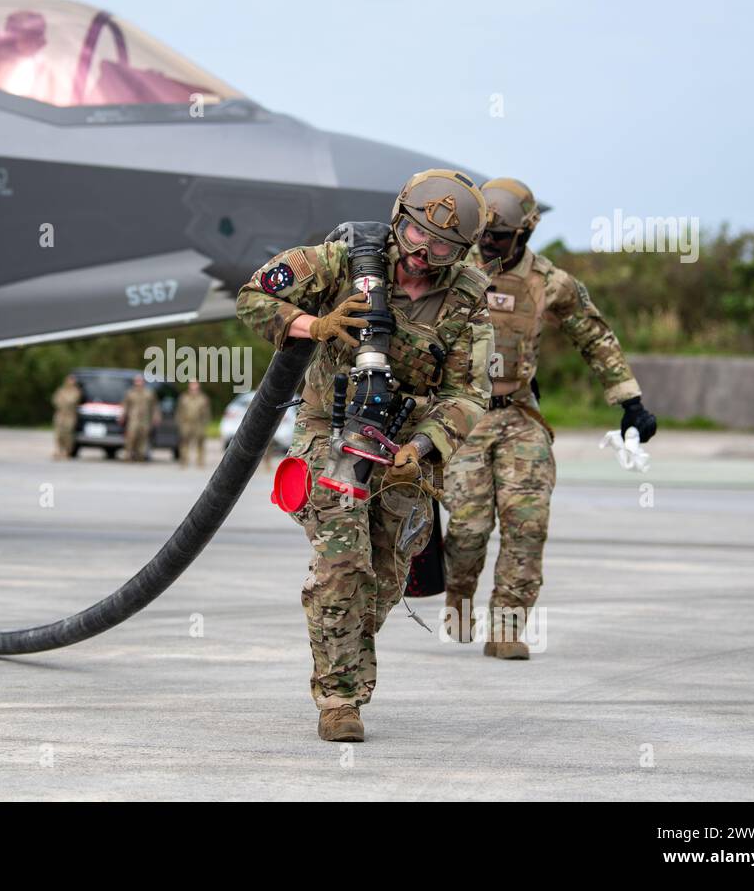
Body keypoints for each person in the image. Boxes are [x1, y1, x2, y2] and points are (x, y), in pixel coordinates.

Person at [236, 169, 494, 742]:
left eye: (443, 245)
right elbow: (253, 296)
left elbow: (468, 392)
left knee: (382, 580)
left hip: (403, 445)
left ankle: (343, 657)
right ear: (399, 217)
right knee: (343, 562)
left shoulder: (469, 298)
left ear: (462, 252)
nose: (423, 252)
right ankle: (339, 701)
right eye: (417, 233)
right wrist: (314, 324)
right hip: (330, 433)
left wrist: (422, 446)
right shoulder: (345, 260)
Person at [442, 177, 658, 659]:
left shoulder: (549, 283)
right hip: (461, 418)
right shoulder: (452, 271)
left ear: (525, 233)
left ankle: (507, 628)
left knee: (527, 523)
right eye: (482, 233)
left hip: (519, 415)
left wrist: (630, 402)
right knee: (467, 529)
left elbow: (594, 335)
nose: (488, 243)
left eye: (499, 237)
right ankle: (458, 597)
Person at [120, 375, 157, 462]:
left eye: (140, 381)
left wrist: (155, 416)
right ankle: (128, 455)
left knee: (143, 437)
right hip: (133, 419)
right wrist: (122, 416)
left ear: (143, 382)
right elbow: (125, 406)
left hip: (145, 419)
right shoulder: (130, 393)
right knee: (131, 437)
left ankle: (140, 455)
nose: (138, 383)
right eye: (137, 381)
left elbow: (154, 406)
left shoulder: (149, 393)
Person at [175, 381, 212, 468]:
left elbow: (207, 413)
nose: (194, 388)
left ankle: (200, 462)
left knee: (200, 443)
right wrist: (179, 423)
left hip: (199, 424)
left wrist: (205, 424)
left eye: (195, 385)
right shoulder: (184, 398)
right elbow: (179, 411)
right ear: (189, 386)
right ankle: (184, 461)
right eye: (192, 385)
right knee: (184, 443)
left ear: (198, 387)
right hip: (186, 423)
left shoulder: (203, 398)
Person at [51, 374, 82, 459]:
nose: (70, 382)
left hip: (70, 416)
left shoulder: (76, 391)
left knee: (68, 434)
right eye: (69, 380)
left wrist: (64, 400)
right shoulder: (61, 390)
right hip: (60, 414)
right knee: (58, 433)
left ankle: (67, 451)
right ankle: (58, 450)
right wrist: (62, 402)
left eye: (72, 380)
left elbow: (72, 400)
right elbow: (55, 400)